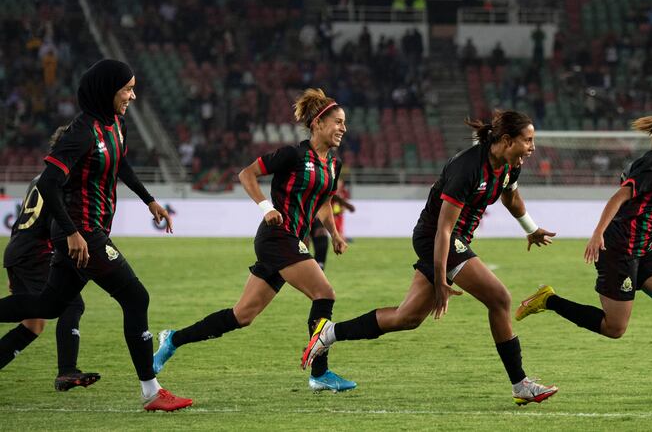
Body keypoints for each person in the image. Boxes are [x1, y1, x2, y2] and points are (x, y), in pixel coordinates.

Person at [301, 110, 559, 406]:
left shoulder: (510, 166)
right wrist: (440, 281)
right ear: (506, 140)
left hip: (450, 241)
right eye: (527, 140)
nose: (532, 147)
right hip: (436, 237)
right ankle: (520, 384)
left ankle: (328, 333)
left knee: (406, 318)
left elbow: (510, 197)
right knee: (500, 298)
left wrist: (531, 228)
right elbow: (443, 230)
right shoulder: (468, 168)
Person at [0, 59, 192, 411]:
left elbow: (121, 164)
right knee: (136, 298)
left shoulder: (114, 124)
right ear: (107, 91)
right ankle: (152, 392)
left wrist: (149, 199)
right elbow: (48, 181)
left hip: (89, 230)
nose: (133, 96)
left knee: (50, 305)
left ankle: (149, 391)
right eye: (127, 89)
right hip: (84, 233)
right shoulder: (81, 131)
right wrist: (72, 233)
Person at [152, 88, 356, 392]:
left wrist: (335, 234)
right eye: (337, 122)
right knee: (324, 294)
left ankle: (173, 339)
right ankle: (320, 372)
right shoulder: (292, 154)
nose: (343, 128)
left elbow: (324, 202)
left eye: (344, 123)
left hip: (289, 240)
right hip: (277, 237)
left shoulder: (333, 165)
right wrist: (267, 208)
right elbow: (246, 174)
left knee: (242, 315)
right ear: (317, 124)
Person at [515, 112, 652, 396]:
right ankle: (549, 300)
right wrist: (597, 234)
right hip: (619, 251)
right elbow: (619, 196)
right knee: (614, 328)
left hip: (644, 249)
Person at [0, 126, 100, 391]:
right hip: (35, 252)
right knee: (71, 304)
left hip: (19, 251)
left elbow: (23, 219)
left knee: (33, 324)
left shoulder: (41, 177)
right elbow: (61, 227)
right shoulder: (64, 179)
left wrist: (14, 263)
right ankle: (67, 371)